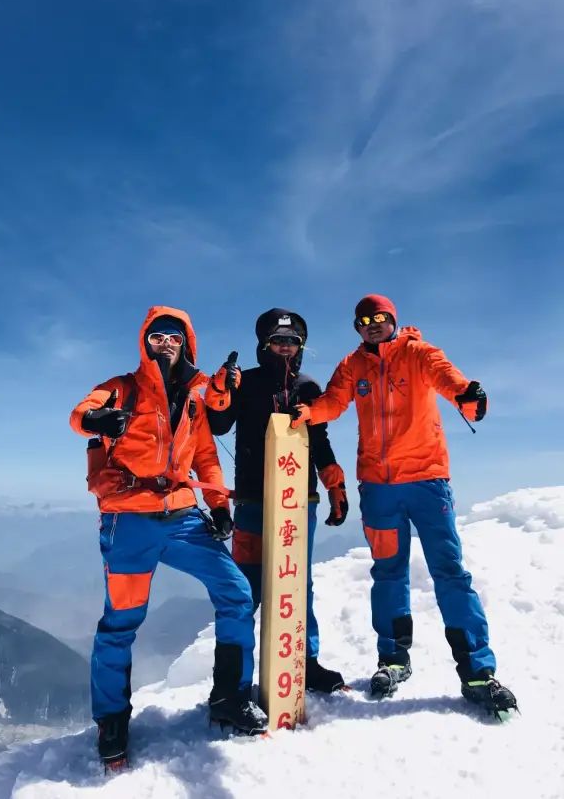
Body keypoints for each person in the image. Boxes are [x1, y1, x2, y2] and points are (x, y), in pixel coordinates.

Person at [291, 294, 517, 713]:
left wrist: (468, 396)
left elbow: (449, 379)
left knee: (449, 572)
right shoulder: (352, 365)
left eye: (380, 317)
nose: (372, 324)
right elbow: (335, 404)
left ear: (392, 320)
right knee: (388, 573)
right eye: (364, 320)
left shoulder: (419, 353)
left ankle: (477, 670)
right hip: (378, 487)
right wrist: (309, 413)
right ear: (357, 326)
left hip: (428, 481)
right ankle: (393, 659)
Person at [70, 306, 267, 771]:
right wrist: (99, 422)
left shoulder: (195, 399)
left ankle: (230, 697)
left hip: (181, 516)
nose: (165, 343)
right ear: (145, 342)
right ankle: (112, 720)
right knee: (120, 623)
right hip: (129, 519)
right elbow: (81, 412)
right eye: (157, 336)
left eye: (174, 337)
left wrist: (218, 505)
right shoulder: (122, 387)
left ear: (186, 344)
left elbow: (204, 457)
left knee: (237, 592)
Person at [205, 308, 348, 694]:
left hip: (302, 502)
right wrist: (221, 391)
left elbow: (319, 440)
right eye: (277, 341)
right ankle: (233, 683)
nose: (285, 348)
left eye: (292, 342)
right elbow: (216, 424)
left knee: (297, 583)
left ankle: (306, 663)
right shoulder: (245, 384)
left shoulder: (309, 388)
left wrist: (334, 482)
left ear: (300, 347)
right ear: (263, 346)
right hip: (253, 502)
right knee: (246, 588)